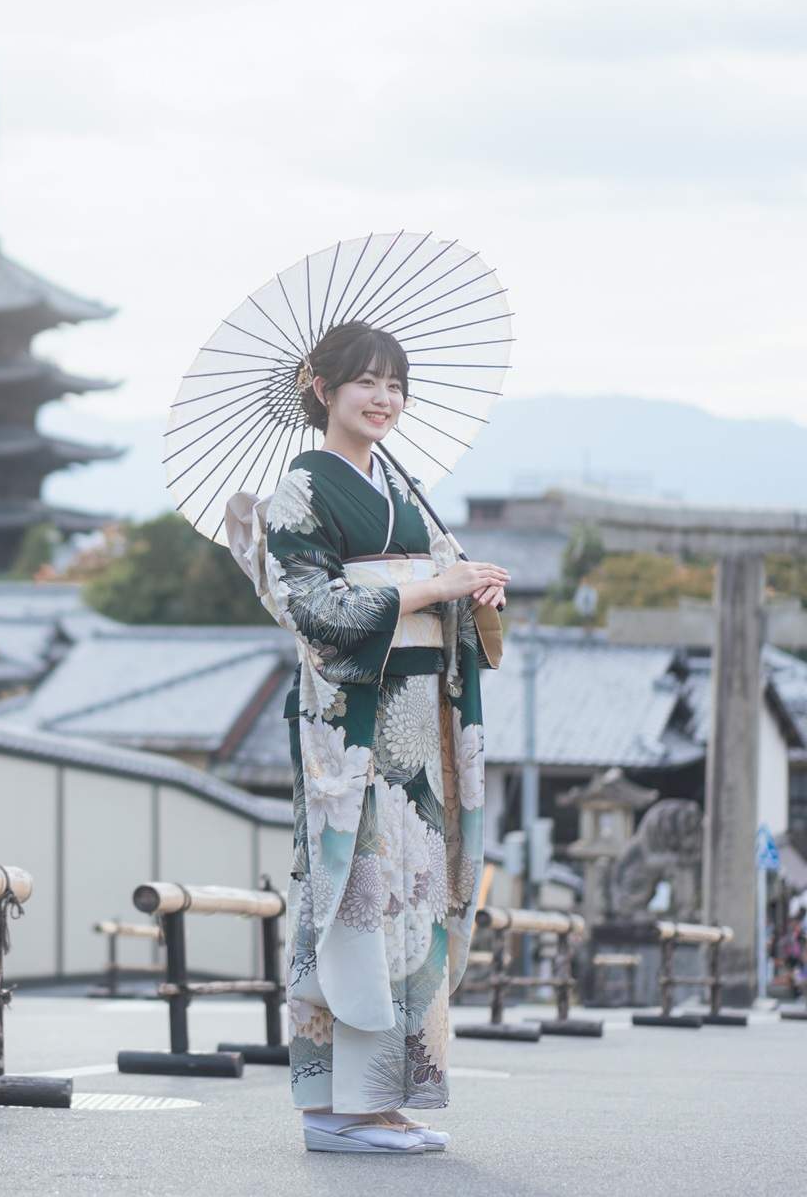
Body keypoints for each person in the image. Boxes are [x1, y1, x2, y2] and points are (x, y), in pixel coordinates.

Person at [224, 320, 508, 1155]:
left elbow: (435, 586)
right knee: (351, 903)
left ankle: (381, 1099)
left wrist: (471, 592)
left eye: (396, 385)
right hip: (350, 730)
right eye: (367, 383)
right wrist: (429, 588)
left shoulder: (402, 487)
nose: (385, 399)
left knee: (410, 908)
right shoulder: (302, 488)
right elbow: (316, 612)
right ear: (323, 389)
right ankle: (332, 1108)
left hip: (416, 728)